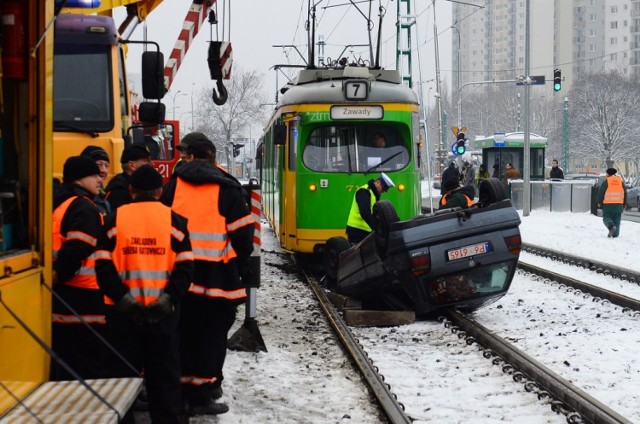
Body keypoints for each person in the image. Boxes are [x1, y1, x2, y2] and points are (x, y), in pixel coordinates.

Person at [160, 134, 254, 416]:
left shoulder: (173, 186)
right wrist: (242, 266)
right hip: (217, 278)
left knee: (180, 332)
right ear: (213, 157)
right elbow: (243, 237)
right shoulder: (228, 188)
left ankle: (180, 392)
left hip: (178, 274)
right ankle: (202, 394)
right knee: (211, 336)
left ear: (189, 157)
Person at [95, 165, 193, 424]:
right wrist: (167, 300)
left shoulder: (112, 220)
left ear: (131, 191)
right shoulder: (176, 222)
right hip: (164, 317)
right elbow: (185, 270)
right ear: (160, 192)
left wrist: (123, 300)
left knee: (121, 380)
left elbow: (103, 267)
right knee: (164, 380)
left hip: (123, 317)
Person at [51, 156, 107, 380]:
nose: (99, 180)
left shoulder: (59, 202)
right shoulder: (83, 206)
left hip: (64, 296)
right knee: (89, 361)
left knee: (67, 359)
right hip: (84, 295)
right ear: (80, 178)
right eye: (94, 175)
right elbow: (78, 247)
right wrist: (61, 274)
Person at [345, 173, 395, 244]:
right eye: (383, 188)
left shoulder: (373, 194)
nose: (383, 191)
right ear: (378, 182)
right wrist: (376, 228)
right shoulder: (364, 191)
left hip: (364, 231)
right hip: (356, 231)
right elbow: (365, 212)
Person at [104, 143, 152, 210]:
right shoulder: (119, 192)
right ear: (132, 165)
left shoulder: (130, 185)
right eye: (147, 161)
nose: (152, 164)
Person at [81, 145, 112, 216]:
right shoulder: (78, 200)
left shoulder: (104, 197)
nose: (103, 170)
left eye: (106, 166)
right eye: (99, 165)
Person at [597, 168, 627, 238]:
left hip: (608, 205)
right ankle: (615, 234)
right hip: (619, 205)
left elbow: (601, 193)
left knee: (606, 218)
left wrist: (599, 202)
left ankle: (611, 227)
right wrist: (624, 203)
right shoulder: (620, 181)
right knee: (617, 220)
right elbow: (625, 193)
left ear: (608, 174)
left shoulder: (607, 181)